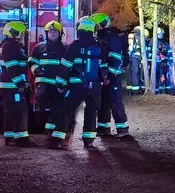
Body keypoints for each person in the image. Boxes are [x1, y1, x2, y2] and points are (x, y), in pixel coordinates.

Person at [48, 17, 106, 150]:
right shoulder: (99, 46)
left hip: (76, 85)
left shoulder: (74, 46)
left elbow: (65, 66)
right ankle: (89, 140)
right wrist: (100, 83)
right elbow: (103, 66)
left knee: (67, 110)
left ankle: (57, 139)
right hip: (94, 86)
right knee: (91, 112)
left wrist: (60, 83)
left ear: (79, 29)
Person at [0, 20, 36, 147]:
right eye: (22, 33)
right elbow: (13, 68)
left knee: (10, 112)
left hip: (9, 86)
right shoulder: (12, 46)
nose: (23, 35)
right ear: (15, 32)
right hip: (13, 87)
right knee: (20, 111)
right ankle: (21, 139)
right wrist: (20, 84)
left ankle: (10, 138)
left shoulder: (7, 45)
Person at [93, 13, 130, 136]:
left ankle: (122, 128)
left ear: (102, 24)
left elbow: (115, 58)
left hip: (113, 76)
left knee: (115, 101)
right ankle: (103, 128)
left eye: (95, 25)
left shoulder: (112, 37)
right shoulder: (101, 37)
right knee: (103, 101)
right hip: (103, 75)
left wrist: (109, 76)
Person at [28, 20, 67, 134]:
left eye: (55, 32)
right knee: (41, 99)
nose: (52, 34)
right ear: (46, 33)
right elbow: (32, 61)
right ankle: (40, 123)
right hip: (43, 81)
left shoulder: (65, 48)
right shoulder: (39, 47)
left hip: (58, 82)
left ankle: (50, 129)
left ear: (60, 33)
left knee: (57, 105)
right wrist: (36, 70)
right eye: (50, 32)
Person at [127, 28, 144, 94]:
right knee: (135, 73)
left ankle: (129, 90)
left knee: (129, 73)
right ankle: (135, 90)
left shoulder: (129, 37)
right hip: (136, 57)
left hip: (129, 57)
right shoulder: (140, 38)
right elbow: (141, 49)